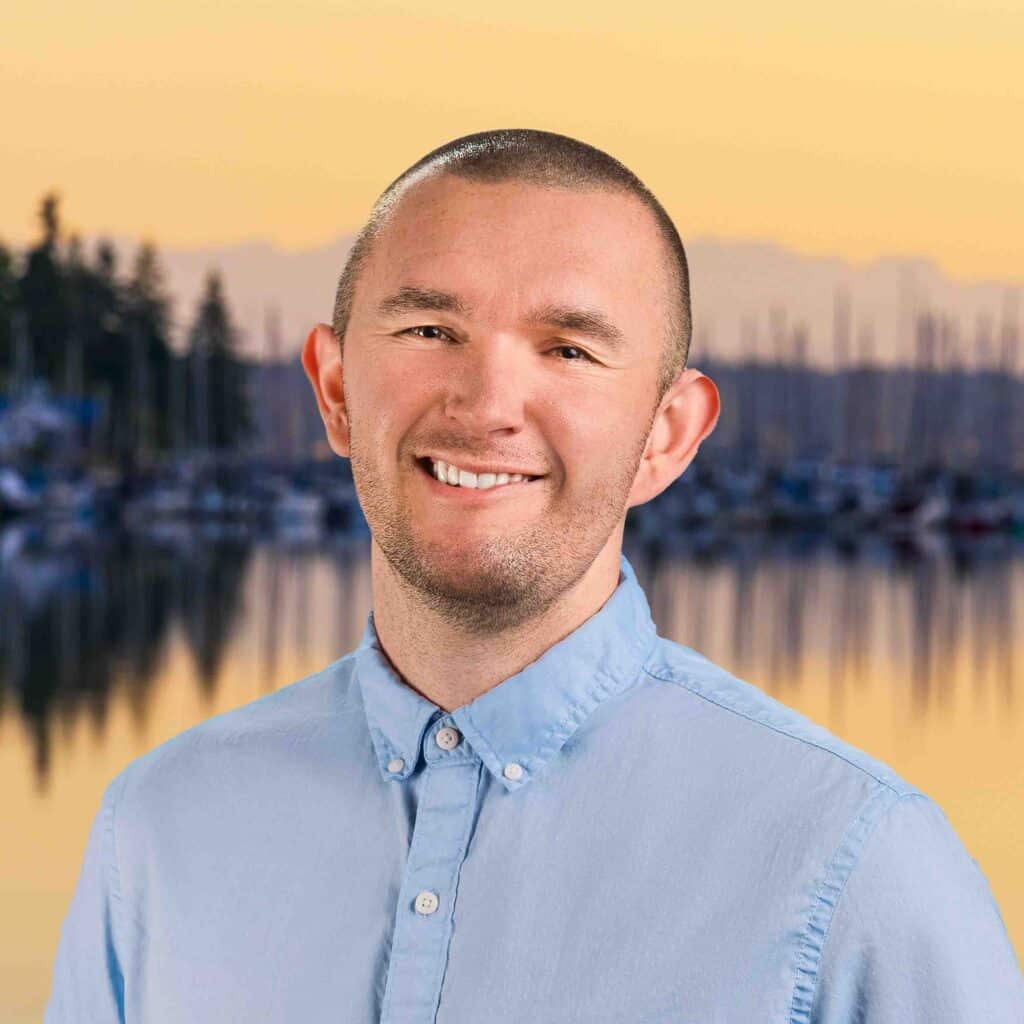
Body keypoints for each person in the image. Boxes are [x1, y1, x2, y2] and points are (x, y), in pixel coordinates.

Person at [46, 129, 1023, 1023]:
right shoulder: (162, 828)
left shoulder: (857, 863)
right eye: (431, 331)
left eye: (568, 348)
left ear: (667, 434)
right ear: (337, 390)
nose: (487, 402)